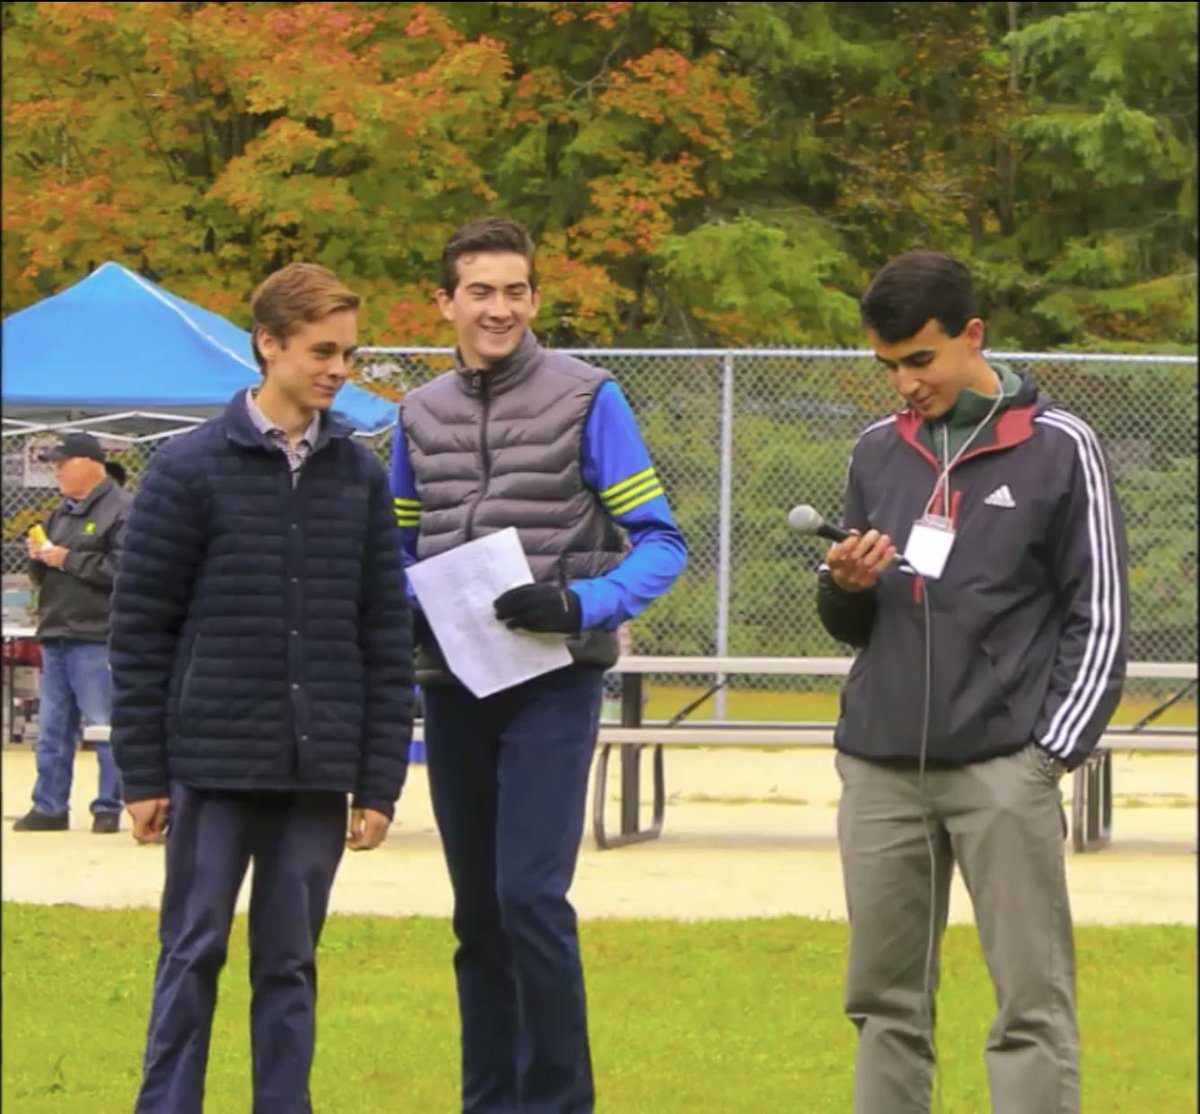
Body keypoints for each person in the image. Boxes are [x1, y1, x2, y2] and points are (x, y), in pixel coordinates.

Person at [816, 250, 1129, 1114]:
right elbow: (854, 625)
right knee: (883, 1007)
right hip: (879, 768)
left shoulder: (1062, 448)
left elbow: (1098, 617)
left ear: (972, 335)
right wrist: (843, 584)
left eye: (921, 359)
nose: (906, 384)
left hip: (1004, 769)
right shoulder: (878, 451)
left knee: (1030, 1008)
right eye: (888, 367)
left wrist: (1045, 757)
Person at [391, 216, 687, 1113]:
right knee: (478, 916)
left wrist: (580, 605)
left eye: (516, 290)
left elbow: (661, 543)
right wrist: (411, 609)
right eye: (480, 291)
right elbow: (396, 554)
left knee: (530, 899)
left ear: (534, 298)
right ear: (444, 302)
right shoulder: (416, 413)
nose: (500, 308)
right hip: (454, 686)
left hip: (552, 683)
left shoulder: (588, 397)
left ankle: (559, 1103)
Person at [109, 262, 414, 1114]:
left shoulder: (357, 477)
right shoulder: (185, 470)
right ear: (268, 344)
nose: (338, 370)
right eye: (322, 350)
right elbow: (139, 633)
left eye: (348, 354)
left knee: (290, 963)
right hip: (211, 765)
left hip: (315, 774)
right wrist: (141, 774)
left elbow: (383, 635)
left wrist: (378, 780)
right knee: (193, 950)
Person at [14, 431, 131, 833]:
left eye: (63, 463)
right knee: (51, 729)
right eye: (53, 464)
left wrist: (67, 559)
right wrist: (39, 560)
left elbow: (124, 573)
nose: (57, 470)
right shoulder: (59, 513)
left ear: (91, 464)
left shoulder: (123, 510)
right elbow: (47, 574)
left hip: (97, 635)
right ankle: (49, 806)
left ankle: (108, 807)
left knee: (104, 727)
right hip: (57, 631)